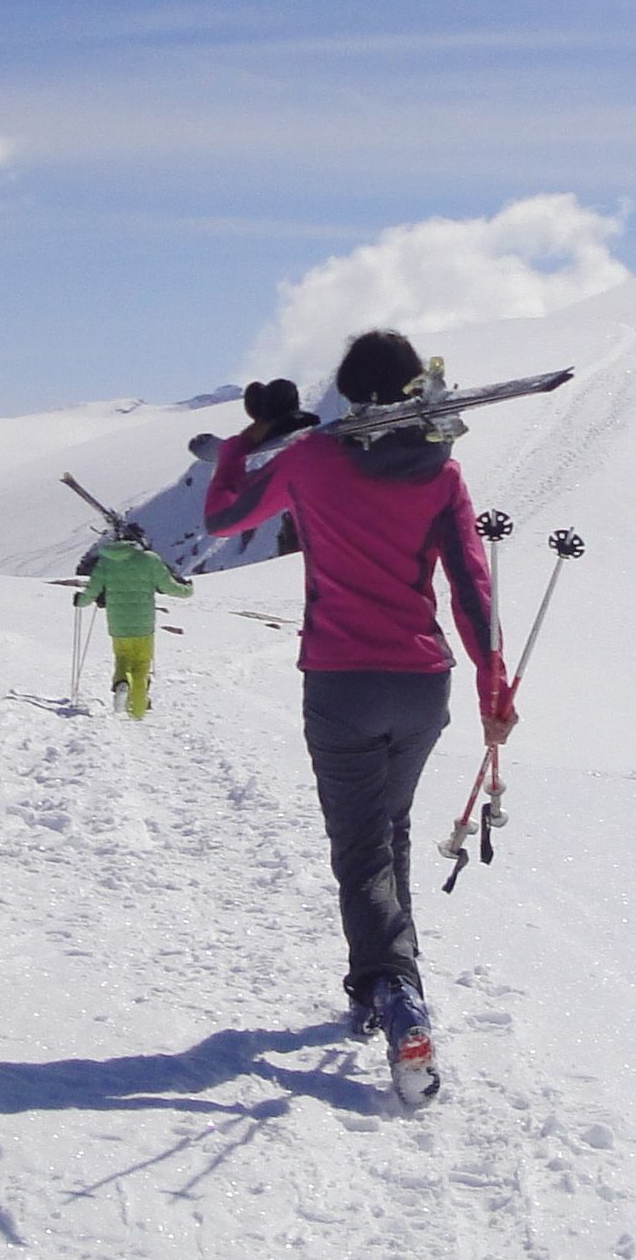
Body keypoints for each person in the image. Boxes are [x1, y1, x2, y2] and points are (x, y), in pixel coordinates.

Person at [201, 332, 512, 1104]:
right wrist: (492, 691)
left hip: (340, 680)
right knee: (390, 828)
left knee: (362, 848)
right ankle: (376, 980)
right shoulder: (442, 473)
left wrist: (243, 446)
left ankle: (396, 991)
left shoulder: (310, 462)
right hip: (422, 685)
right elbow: (473, 587)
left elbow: (222, 519)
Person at [71, 522, 193, 719]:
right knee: (141, 666)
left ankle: (121, 682)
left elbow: (91, 592)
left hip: (118, 624)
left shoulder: (106, 562)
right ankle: (137, 712)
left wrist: (80, 600)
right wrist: (188, 589)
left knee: (122, 658)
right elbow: (171, 587)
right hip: (144, 624)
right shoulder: (150, 560)